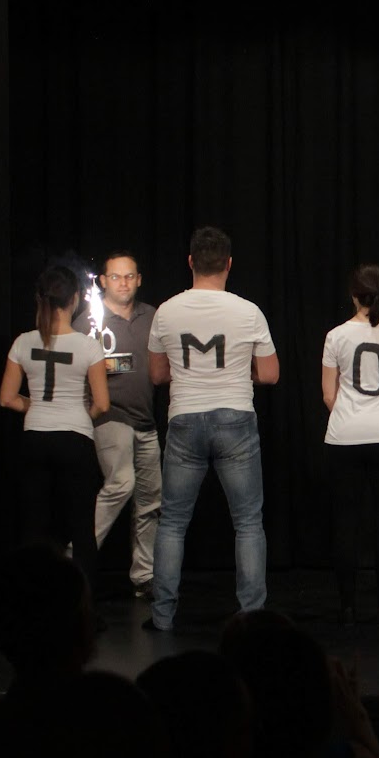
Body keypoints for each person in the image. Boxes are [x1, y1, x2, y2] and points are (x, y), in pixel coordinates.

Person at [145, 226, 280, 632]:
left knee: (172, 522)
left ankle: (162, 615)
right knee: (248, 522)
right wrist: (238, 374)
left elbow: (157, 375)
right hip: (235, 417)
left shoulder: (166, 311)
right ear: (229, 264)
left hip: (185, 418)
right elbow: (270, 374)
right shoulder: (248, 311)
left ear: (190, 262)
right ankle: (252, 616)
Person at [0, 265, 111, 606]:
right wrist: (78, 414)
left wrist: (35, 406)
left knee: (34, 528)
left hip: (35, 439)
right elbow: (102, 404)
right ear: (75, 299)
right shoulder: (87, 346)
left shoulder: (23, 342)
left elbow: (7, 398)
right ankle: (85, 608)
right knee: (82, 530)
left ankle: (29, 604)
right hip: (75, 440)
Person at [321, 263, 379, 624]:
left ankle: (347, 606)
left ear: (353, 295)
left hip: (344, 437)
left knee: (346, 523)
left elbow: (328, 394)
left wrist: (353, 416)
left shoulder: (335, 336)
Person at [71, 250, 163, 599]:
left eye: (129, 276)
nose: (123, 283)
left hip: (146, 419)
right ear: (103, 281)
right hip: (109, 416)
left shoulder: (153, 316)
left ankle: (145, 576)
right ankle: (73, 560)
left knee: (151, 499)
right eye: (115, 276)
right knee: (121, 483)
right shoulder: (88, 321)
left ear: (139, 280)